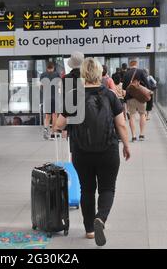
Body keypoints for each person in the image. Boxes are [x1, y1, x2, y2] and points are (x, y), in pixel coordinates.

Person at [56, 57, 131, 247]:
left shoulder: (73, 95)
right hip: (108, 150)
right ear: (100, 73)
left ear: (83, 74)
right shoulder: (111, 95)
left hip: (81, 151)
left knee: (87, 189)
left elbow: (59, 124)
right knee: (107, 188)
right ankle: (101, 218)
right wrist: (126, 145)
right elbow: (121, 123)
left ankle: (89, 230)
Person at [122, 58, 151, 142]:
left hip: (130, 98)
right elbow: (148, 84)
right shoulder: (141, 72)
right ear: (136, 64)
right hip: (141, 98)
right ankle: (141, 135)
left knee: (132, 116)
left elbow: (124, 88)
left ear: (130, 64)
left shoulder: (126, 73)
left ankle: (134, 136)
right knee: (142, 114)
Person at [40, 62, 61, 140]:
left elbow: (41, 86)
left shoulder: (43, 75)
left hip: (46, 97)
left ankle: (46, 129)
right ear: (53, 67)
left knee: (47, 116)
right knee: (55, 115)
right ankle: (53, 133)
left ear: (47, 68)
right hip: (55, 97)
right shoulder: (57, 74)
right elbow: (59, 85)